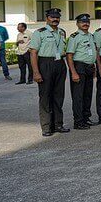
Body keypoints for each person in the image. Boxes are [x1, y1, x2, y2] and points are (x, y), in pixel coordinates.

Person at [29, 8, 68, 136]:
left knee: (58, 95)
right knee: (45, 96)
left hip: (59, 64)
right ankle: (46, 127)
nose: (55, 19)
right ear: (47, 18)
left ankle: (58, 124)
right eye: (52, 17)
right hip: (45, 64)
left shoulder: (62, 32)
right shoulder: (39, 33)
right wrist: (36, 72)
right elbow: (33, 53)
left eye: (57, 17)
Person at [65, 13, 97, 130]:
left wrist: (93, 68)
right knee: (78, 96)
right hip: (79, 67)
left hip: (89, 67)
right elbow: (69, 55)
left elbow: (93, 52)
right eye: (83, 22)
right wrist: (73, 72)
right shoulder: (74, 37)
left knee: (87, 94)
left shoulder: (91, 36)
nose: (85, 24)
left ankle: (86, 117)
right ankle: (78, 121)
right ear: (77, 24)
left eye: (87, 22)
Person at [0, 16, 11, 80]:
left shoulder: (2, 28)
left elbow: (6, 37)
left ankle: (6, 75)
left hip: (1, 48)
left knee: (3, 62)